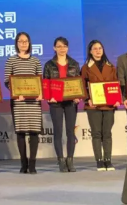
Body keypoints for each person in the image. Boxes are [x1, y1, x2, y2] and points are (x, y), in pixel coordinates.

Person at [4, 32, 43, 175]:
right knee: (21, 132)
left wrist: (40, 93)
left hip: (34, 102)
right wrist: (16, 93)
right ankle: (23, 164)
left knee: (34, 132)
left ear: (29, 43)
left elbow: (40, 81)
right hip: (19, 102)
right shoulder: (11, 60)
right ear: (16, 43)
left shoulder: (35, 61)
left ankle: (32, 164)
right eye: (20, 41)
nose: (23, 43)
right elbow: (7, 81)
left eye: (26, 41)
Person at [43, 36, 81, 173]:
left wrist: (78, 96)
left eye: (64, 46)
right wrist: (49, 97)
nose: (62, 48)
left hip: (71, 102)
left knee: (70, 132)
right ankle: (60, 160)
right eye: (59, 46)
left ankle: (70, 160)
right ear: (54, 48)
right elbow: (45, 83)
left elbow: (78, 83)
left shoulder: (74, 64)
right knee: (58, 131)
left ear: (68, 48)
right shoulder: (49, 65)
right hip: (56, 103)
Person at [81, 40, 119, 171]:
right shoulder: (86, 67)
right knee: (96, 134)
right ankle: (99, 161)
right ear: (90, 51)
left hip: (109, 105)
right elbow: (82, 85)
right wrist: (87, 99)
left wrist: (116, 99)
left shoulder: (111, 66)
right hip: (93, 106)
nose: (98, 51)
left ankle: (108, 160)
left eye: (100, 48)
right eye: (95, 49)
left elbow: (116, 84)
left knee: (107, 133)